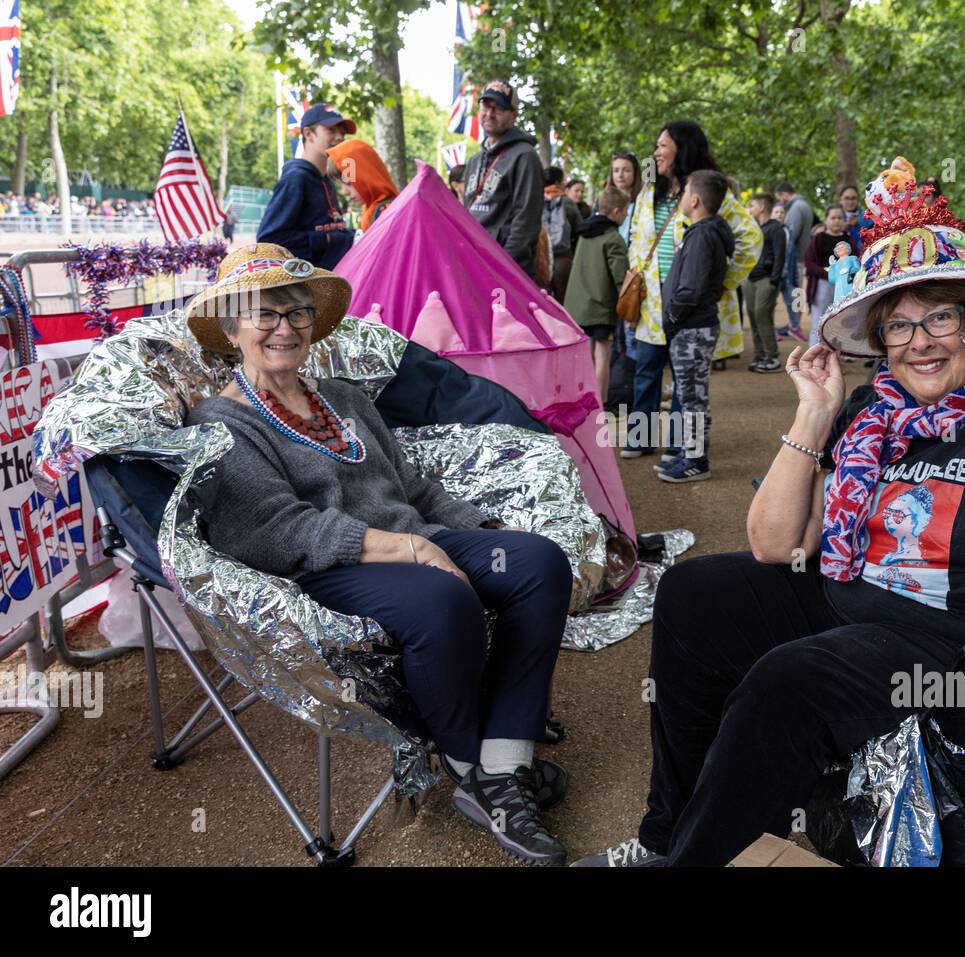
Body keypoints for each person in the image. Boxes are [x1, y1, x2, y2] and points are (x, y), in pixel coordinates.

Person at [573, 178, 965, 867]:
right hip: (855, 609)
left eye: (941, 318)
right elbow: (776, 542)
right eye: (899, 325)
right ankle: (665, 839)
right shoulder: (872, 414)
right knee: (692, 593)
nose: (920, 341)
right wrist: (815, 414)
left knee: (790, 680)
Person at [182, 243, 574, 866]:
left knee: (537, 562)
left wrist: (483, 529)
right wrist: (410, 548)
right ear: (231, 328)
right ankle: (471, 767)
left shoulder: (343, 398)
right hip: (327, 569)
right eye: (265, 314)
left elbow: (411, 488)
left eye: (297, 313)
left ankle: (501, 767)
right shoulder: (223, 421)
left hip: (414, 540)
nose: (284, 327)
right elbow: (278, 530)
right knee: (443, 601)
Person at [624, 120, 761, 459]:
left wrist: (720, 284)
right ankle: (640, 439)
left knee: (686, 383)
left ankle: (679, 447)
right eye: (655, 146)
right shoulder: (649, 190)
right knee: (645, 373)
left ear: (682, 149)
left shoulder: (710, 190)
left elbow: (751, 239)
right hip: (651, 302)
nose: (655, 152)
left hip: (689, 304)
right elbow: (637, 240)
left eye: (663, 146)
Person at [657, 170, 734, 483]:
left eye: (685, 190)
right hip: (692, 327)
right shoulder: (702, 231)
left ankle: (695, 461)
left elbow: (690, 288)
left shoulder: (702, 234)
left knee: (692, 397)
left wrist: (672, 317)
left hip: (691, 327)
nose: (681, 196)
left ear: (695, 199)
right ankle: (689, 453)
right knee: (691, 395)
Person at [462, 80, 545, 280]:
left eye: (498, 108)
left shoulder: (525, 156)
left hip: (505, 272)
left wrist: (502, 269)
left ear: (513, 115)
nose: (490, 113)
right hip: (474, 266)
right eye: (485, 106)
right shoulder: (474, 161)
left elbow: (525, 222)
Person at [256, 104, 356, 269]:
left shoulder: (327, 181)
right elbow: (269, 241)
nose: (339, 137)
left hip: (331, 285)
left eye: (343, 133)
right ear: (308, 134)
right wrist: (329, 240)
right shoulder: (296, 178)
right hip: (306, 289)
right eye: (331, 130)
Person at [564, 186, 630, 405]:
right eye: (626, 211)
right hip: (601, 307)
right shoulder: (613, 238)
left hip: (577, 305)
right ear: (617, 211)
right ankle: (600, 403)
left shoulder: (584, 233)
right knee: (603, 355)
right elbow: (621, 279)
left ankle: (584, 400)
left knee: (585, 356)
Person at [743, 192, 787, 373]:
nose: (750, 209)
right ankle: (760, 355)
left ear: (761, 207)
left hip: (766, 279)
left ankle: (772, 357)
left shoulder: (775, 228)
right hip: (751, 279)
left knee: (762, 316)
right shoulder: (755, 228)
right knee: (753, 317)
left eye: (752, 205)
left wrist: (773, 281)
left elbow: (779, 256)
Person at [325, 139, 400, 238]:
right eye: (340, 185)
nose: (344, 192)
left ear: (365, 175)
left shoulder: (385, 212)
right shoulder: (370, 210)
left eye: (348, 182)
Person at [803, 203, 849, 346]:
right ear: (826, 220)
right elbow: (809, 262)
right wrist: (827, 273)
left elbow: (856, 261)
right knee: (819, 320)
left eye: (840, 218)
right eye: (833, 217)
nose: (836, 221)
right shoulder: (818, 239)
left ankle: (835, 357)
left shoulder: (848, 240)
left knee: (839, 320)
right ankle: (814, 355)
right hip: (822, 285)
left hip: (843, 285)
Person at [775, 183, 814, 339]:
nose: (781, 202)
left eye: (780, 198)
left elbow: (791, 234)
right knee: (798, 292)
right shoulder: (804, 205)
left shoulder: (796, 207)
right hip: (801, 256)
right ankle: (794, 325)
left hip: (795, 257)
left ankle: (794, 326)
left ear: (784, 194)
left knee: (795, 293)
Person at [542, 166, 580, 301]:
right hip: (563, 260)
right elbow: (579, 230)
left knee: (543, 303)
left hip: (541, 261)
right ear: (558, 182)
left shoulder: (535, 199)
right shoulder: (567, 203)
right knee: (564, 302)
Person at [607, 152, 642, 246]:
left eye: (626, 170)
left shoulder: (643, 203)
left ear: (635, 173)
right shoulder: (602, 202)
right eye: (616, 170)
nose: (620, 175)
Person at [838, 184, 864, 255]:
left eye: (853, 198)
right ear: (840, 200)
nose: (850, 202)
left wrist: (860, 222)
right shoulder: (834, 218)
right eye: (847, 198)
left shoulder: (866, 216)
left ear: (858, 200)